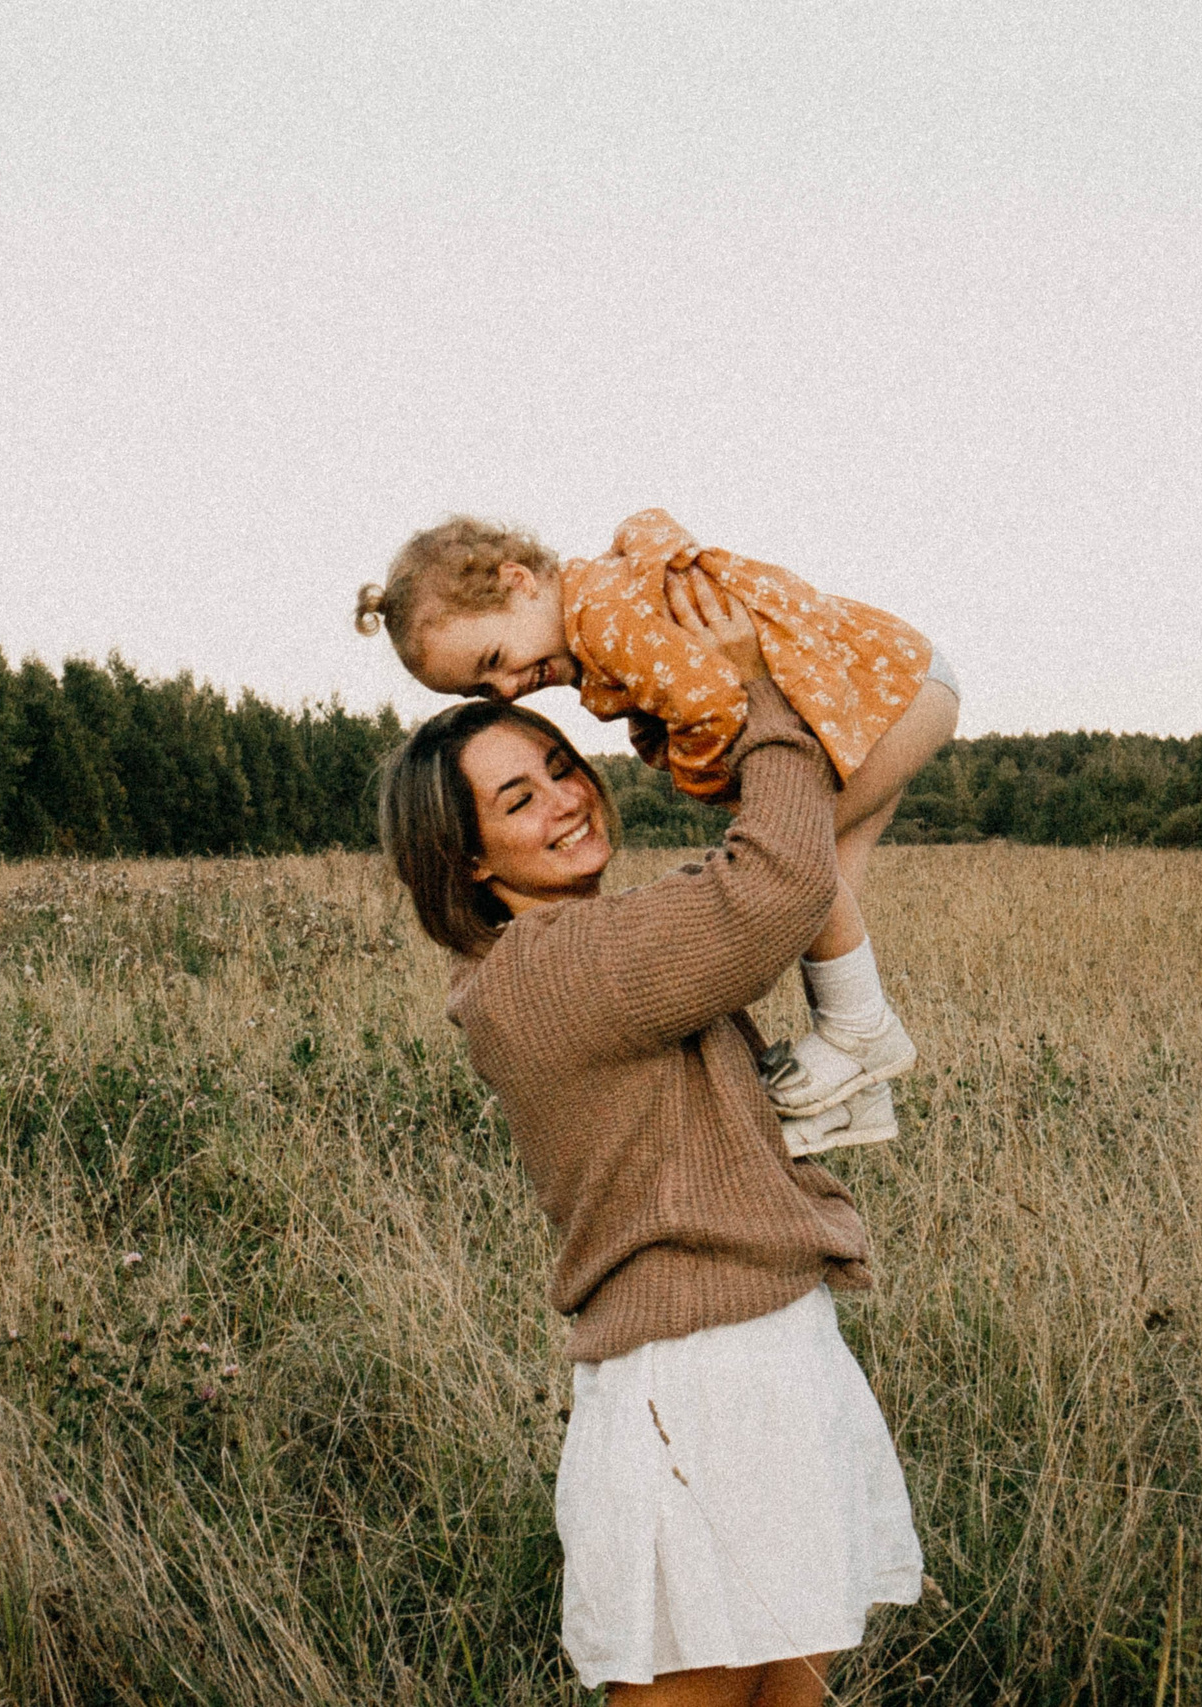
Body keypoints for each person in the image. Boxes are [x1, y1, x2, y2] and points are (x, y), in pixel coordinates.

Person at [374, 570, 922, 1704]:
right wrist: (757, 691)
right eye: (515, 803)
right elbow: (774, 886)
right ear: (469, 861)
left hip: (768, 1354)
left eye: (559, 768)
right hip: (695, 1386)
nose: (564, 801)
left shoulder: (601, 941)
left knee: (787, 1696)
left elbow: (759, 889)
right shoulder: (548, 972)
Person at [358, 509, 961, 1152]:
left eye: (497, 658)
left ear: (519, 582)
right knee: (827, 876)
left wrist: (701, 777)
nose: (507, 688)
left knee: (792, 856)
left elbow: (709, 702)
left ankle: (859, 1032)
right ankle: (861, 1094)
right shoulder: (608, 600)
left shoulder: (602, 621)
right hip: (901, 678)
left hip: (886, 694)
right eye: (483, 686)